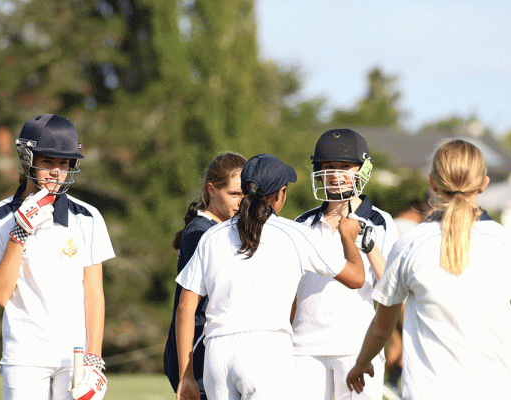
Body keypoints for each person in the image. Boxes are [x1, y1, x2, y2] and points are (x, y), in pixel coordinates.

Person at [346, 139, 511, 400]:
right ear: (484, 183)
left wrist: (361, 364)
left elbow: (382, 328)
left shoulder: (409, 245)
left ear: (431, 182)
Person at [175, 153, 367, 400]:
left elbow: (184, 308)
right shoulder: (294, 233)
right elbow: (356, 278)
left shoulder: (212, 237)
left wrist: (186, 376)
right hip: (266, 350)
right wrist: (347, 236)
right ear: (281, 193)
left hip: (216, 354)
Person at [0, 114, 115, 400]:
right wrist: (19, 234)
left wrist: (94, 358)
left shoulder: (87, 217)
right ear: (27, 158)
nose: (56, 172)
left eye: (64, 163)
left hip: (74, 355)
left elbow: (94, 294)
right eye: (48, 161)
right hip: (23, 355)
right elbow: (0, 295)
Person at [291, 128, 399, 400]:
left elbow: (390, 282)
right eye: (328, 167)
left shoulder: (380, 220)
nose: (336, 175)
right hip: (304, 345)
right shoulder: (302, 223)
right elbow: (290, 287)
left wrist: (368, 243)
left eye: (344, 167)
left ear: (361, 170)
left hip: (355, 344)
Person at [164, 152, 247, 400]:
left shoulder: (225, 230)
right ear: (211, 189)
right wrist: (185, 375)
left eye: (246, 195)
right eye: (234, 194)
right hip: (198, 356)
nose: (241, 202)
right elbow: (187, 309)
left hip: (218, 354)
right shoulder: (200, 234)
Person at [385, 196, 433, 397]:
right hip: (408, 297)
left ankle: (388, 383)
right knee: (418, 342)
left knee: (396, 343)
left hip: (386, 295)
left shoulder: (389, 224)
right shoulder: (415, 230)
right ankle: (399, 384)